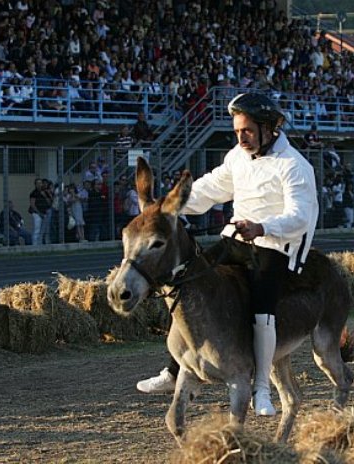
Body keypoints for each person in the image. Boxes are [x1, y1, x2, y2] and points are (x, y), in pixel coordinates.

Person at [137, 93, 318, 420]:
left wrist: (262, 226)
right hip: (235, 237)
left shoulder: (295, 166)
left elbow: (300, 216)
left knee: (263, 309)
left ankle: (261, 386)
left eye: (247, 131)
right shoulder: (237, 156)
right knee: (185, 283)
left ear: (268, 129)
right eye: (237, 131)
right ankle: (174, 369)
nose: (241, 137)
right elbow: (209, 190)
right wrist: (169, 206)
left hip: (276, 245)